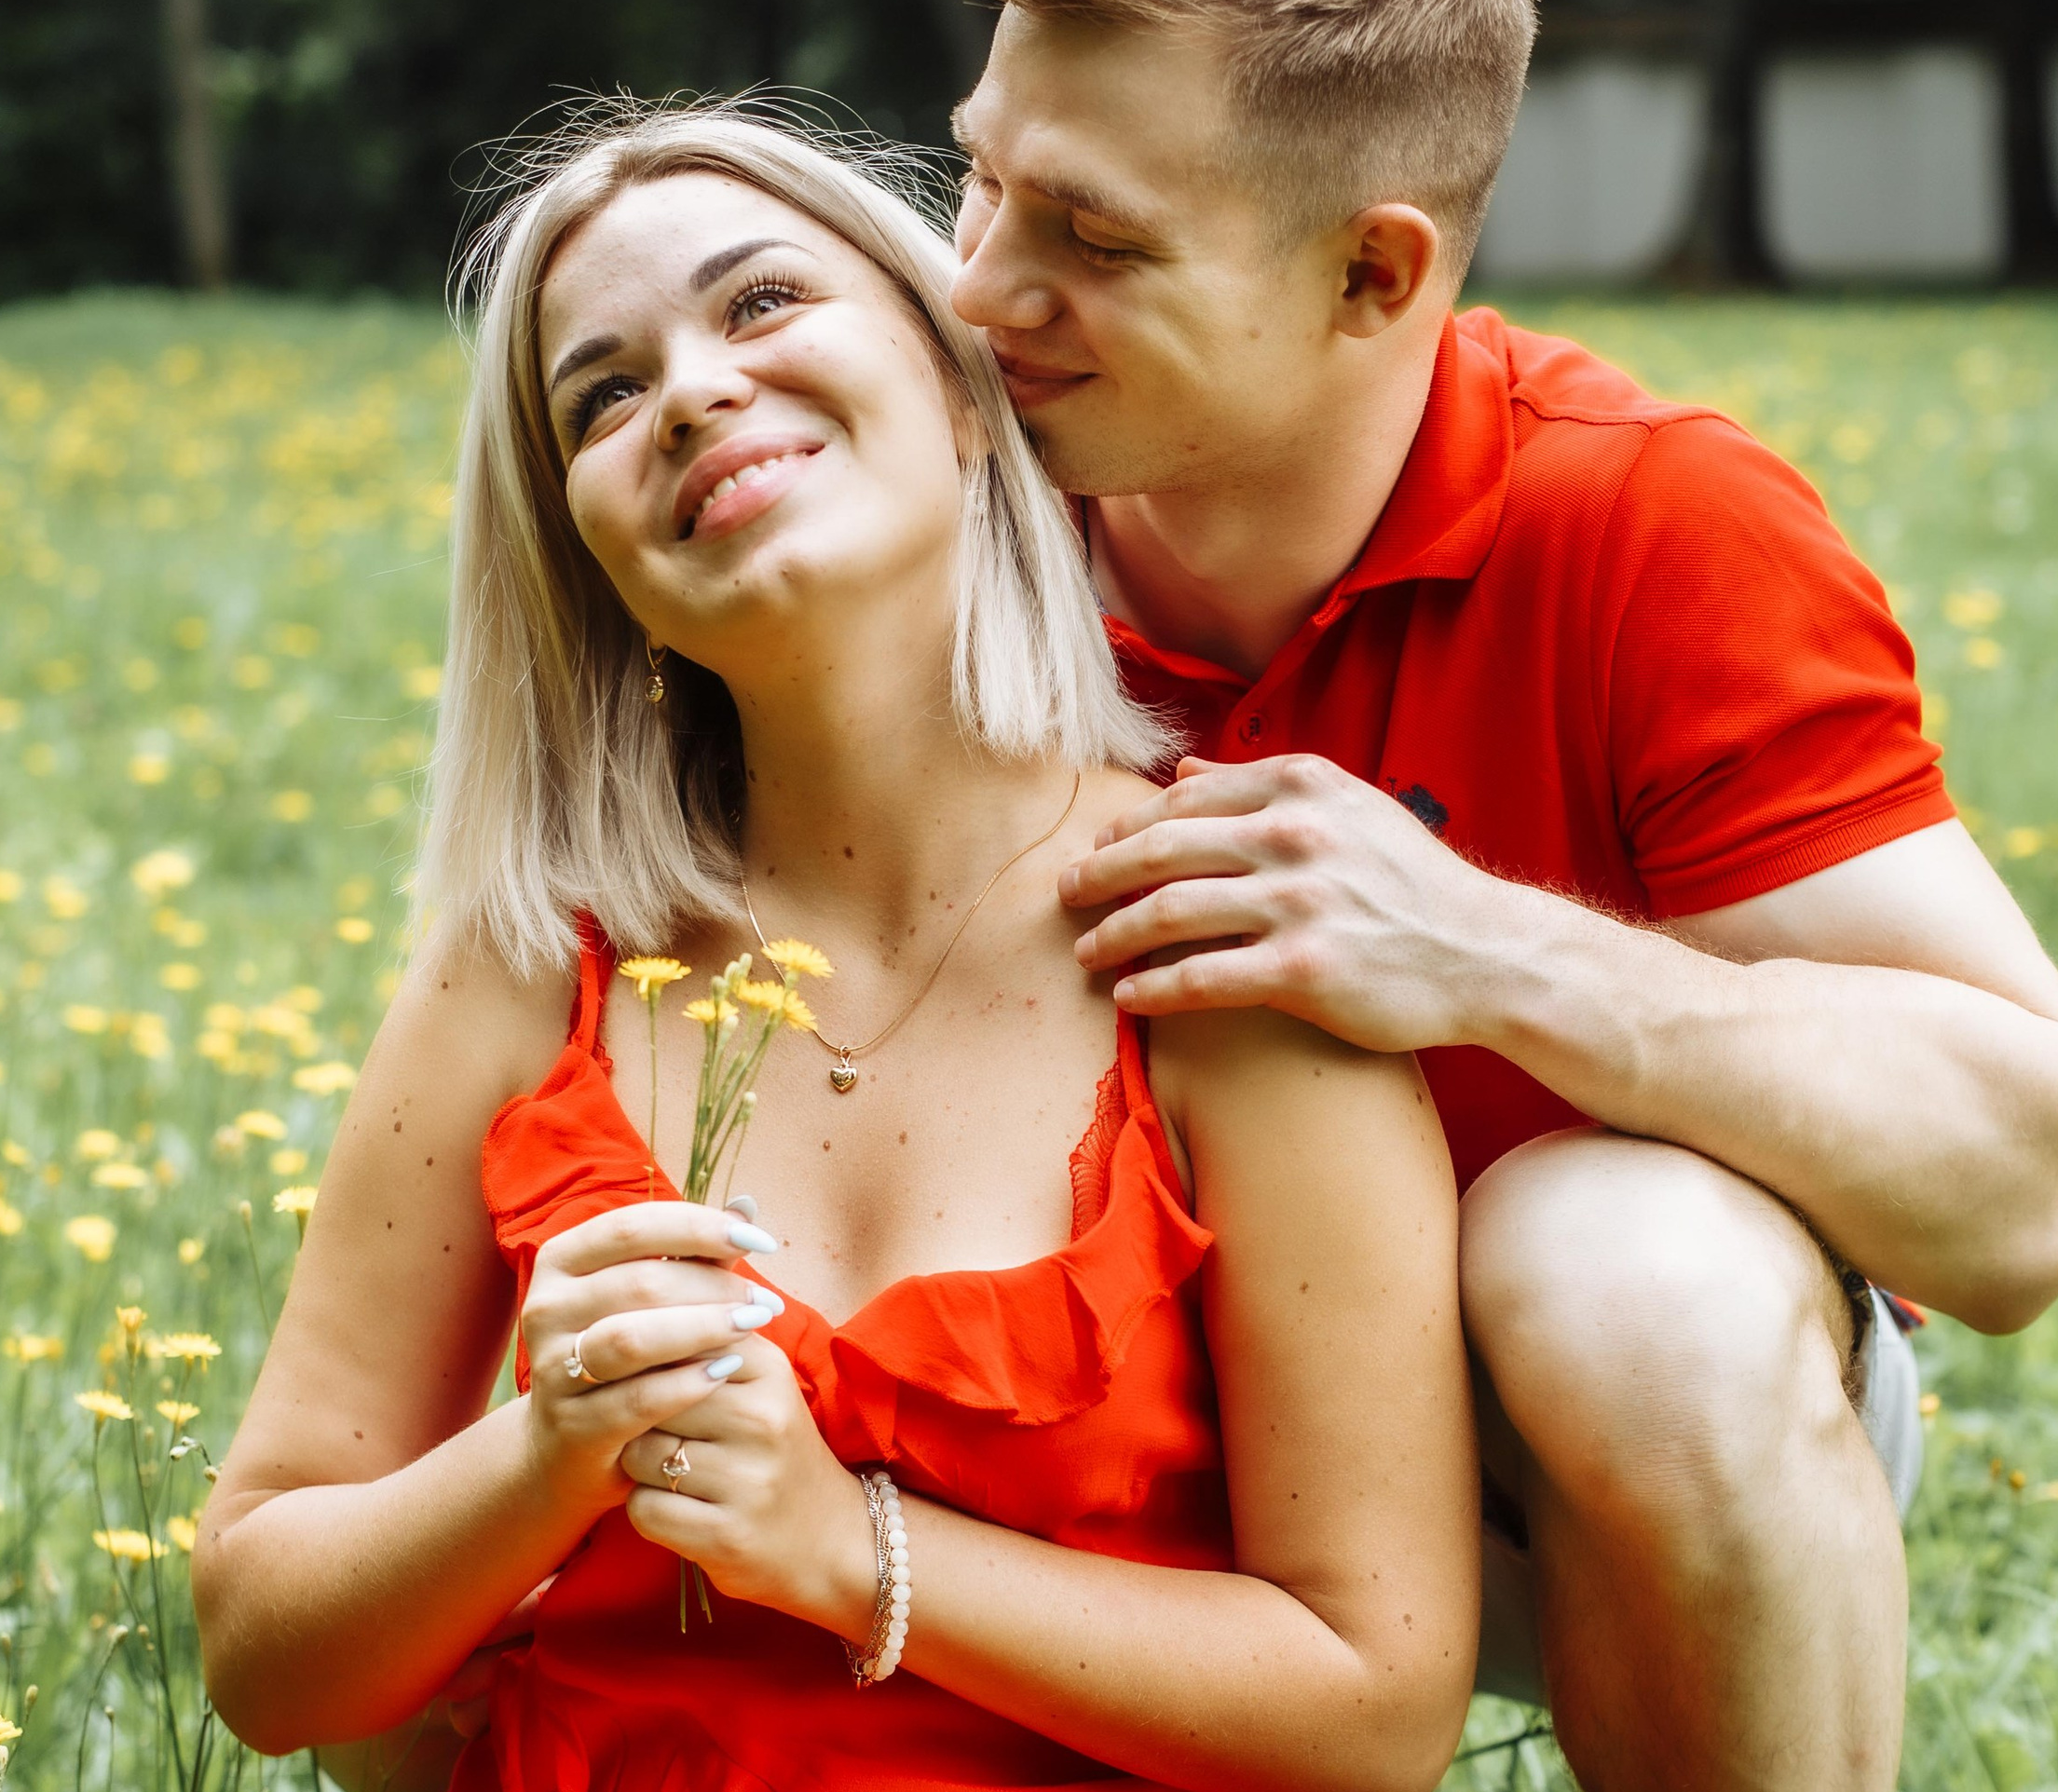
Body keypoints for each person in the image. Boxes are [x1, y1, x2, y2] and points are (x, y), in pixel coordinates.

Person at [938, 0, 2058, 1790]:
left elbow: (2020, 1190)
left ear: (1376, 276)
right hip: (1046, 1399)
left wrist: (1486, 952)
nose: (972, 291)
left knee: (1622, 1266)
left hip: (1542, 1454)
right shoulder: (907, 505)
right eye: (981, 185)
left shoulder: (1648, 522)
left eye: (1091, 240)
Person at [191, 106, 1481, 1790]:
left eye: (761, 305)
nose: (695, 392)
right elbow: (261, 1655)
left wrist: (848, 1551)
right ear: (593, 559)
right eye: (603, 392)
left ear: (958, 389)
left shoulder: (1218, 929)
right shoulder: (527, 962)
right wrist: (545, 1451)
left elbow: (1372, 1706)